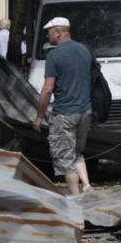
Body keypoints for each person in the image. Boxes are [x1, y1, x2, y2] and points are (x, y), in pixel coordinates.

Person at [33, 17, 93, 195]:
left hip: (65, 113)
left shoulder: (54, 55)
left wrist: (38, 116)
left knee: (65, 158)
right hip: (85, 111)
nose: (47, 36)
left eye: (49, 32)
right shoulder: (84, 50)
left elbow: (48, 88)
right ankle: (87, 185)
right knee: (77, 152)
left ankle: (75, 199)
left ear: (59, 32)